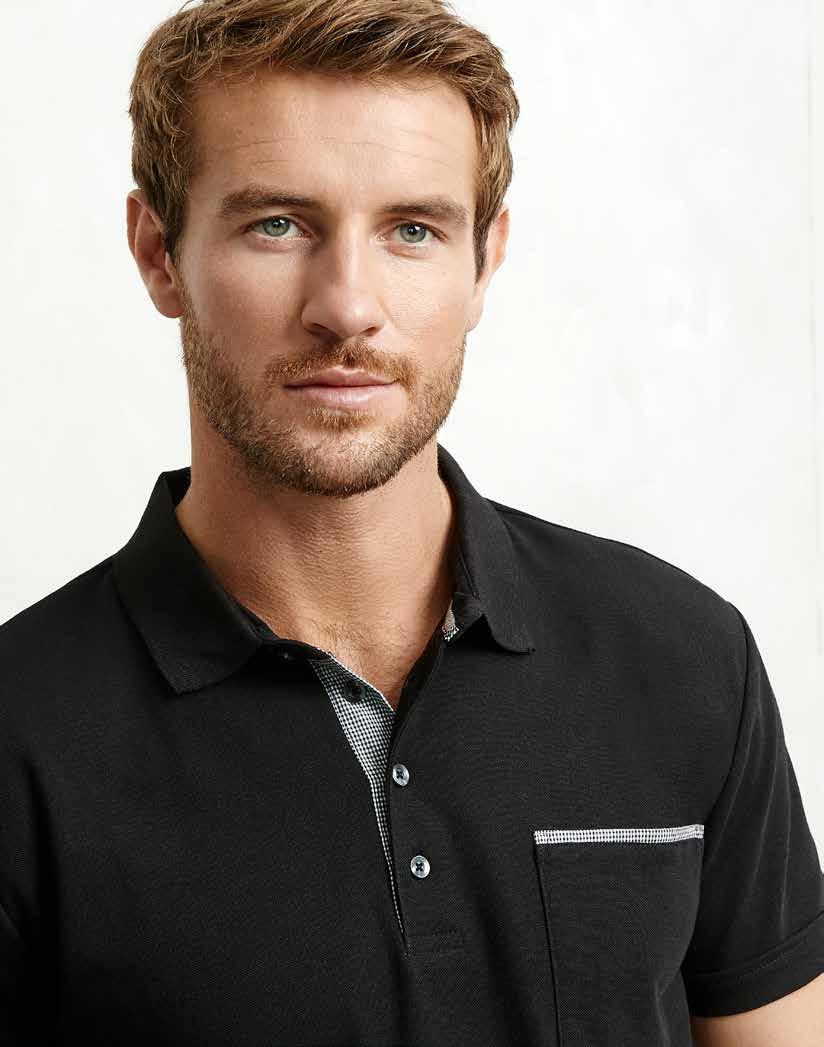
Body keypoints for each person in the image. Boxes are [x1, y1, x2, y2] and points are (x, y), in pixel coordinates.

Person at [1, 0, 822, 1043]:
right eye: (277, 223)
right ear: (159, 252)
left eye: (412, 231)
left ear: (484, 261)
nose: (347, 305)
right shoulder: (20, 732)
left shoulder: (683, 657)